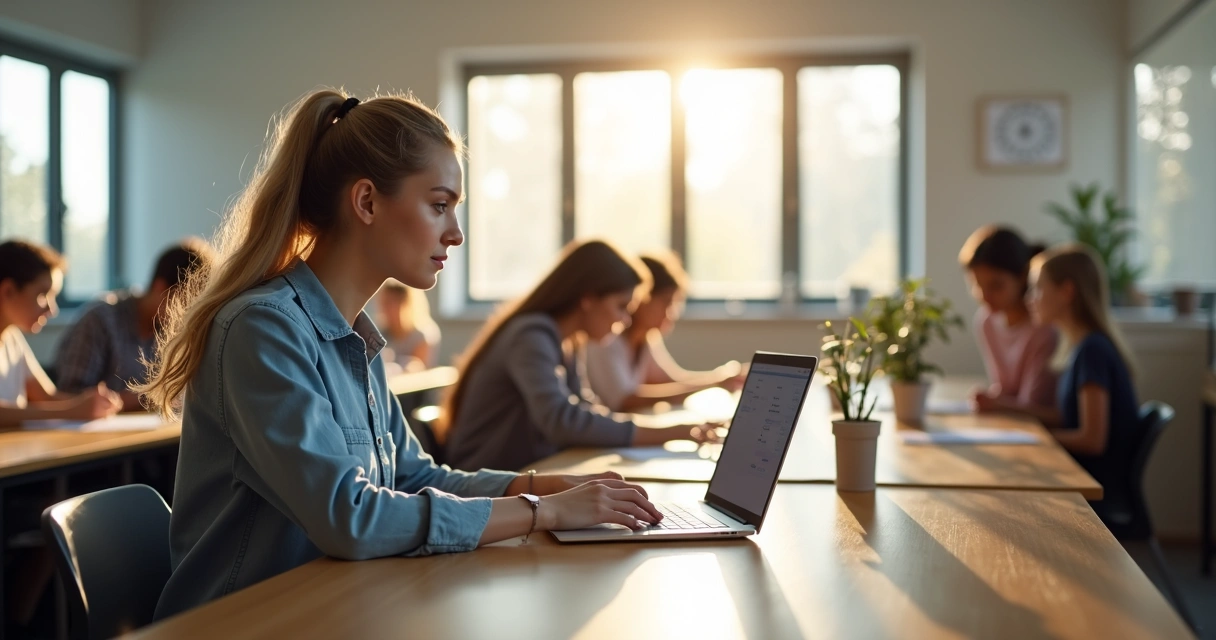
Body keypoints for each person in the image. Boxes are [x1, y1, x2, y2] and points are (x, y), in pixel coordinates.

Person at [137, 91, 666, 620]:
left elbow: (413, 478)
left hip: (333, 608)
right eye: (439, 206)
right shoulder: (263, 329)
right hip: (242, 623)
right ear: (367, 202)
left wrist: (541, 487)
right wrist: (540, 511)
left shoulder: (355, 338)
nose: (455, 234)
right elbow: (349, 516)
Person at [440, 240, 716, 472]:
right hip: (484, 482)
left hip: (527, 472)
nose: (625, 320)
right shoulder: (531, 335)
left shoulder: (568, 341)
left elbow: (586, 409)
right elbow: (562, 421)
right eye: (621, 306)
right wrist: (671, 432)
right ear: (588, 299)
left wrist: (668, 431)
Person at [1029, 244, 1139, 520]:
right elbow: (1067, 417)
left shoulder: (1092, 351)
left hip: (1094, 492)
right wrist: (1007, 409)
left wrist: (1036, 439)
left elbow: (1092, 440)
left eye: (1038, 288)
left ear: (1066, 291)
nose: (1031, 299)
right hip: (1081, 477)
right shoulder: (1083, 347)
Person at [54, 239, 213, 411]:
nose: (188, 313)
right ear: (161, 287)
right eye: (186, 302)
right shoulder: (100, 320)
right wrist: (151, 396)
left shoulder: (173, 330)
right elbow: (69, 398)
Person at [584, 251, 744, 412]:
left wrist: (720, 378)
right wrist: (715, 382)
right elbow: (625, 400)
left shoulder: (646, 339)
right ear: (641, 299)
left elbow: (671, 380)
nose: (671, 313)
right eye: (666, 302)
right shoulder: (605, 338)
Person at [0, 240, 122, 424]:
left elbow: (47, 397)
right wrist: (71, 411)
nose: (52, 309)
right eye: (43, 295)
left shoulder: (12, 338)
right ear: (8, 291)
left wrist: (93, 403)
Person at [958, 225, 1058, 415]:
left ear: (1022, 277)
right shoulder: (986, 321)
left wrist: (997, 404)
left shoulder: (1043, 329)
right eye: (977, 285)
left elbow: (1033, 403)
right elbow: (1005, 389)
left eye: (996, 285)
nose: (985, 296)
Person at [374, 279, 440, 374]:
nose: (388, 309)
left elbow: (421, 371)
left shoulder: (423, 336)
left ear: (407, 304)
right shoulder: (378, 333)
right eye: (386, 303)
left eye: (393, 303)